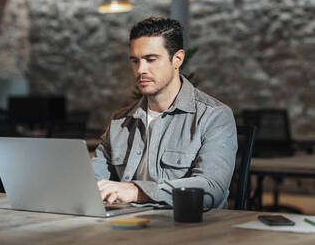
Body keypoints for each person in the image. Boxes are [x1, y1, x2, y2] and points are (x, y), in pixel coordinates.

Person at [91, 17, 237, 208]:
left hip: (188, 229)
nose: (140, 70)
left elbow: (211, 189)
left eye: (151, 59)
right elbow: (93, 178)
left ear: (177, 59)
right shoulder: (120, 121)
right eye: (135, 61)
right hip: (128, 226)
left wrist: (136, 192)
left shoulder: (214, 116)